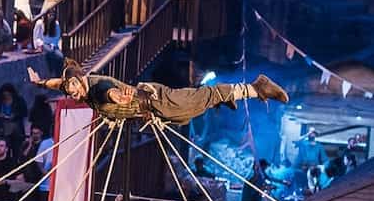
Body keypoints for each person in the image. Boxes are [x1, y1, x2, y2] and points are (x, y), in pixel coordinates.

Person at [28, 62, 289, 123]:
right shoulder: (76, 88)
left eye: (72, 86)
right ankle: (226, 97)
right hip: (153, 110)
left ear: (81, 81)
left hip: (157, 101)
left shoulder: (96, 88)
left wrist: (117, 97)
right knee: (190, 113)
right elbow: (58, 84)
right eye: (69, 88)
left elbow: (109, 93)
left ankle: (256, 88)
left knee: (202, 98)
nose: (70, 91)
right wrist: (40, 82)